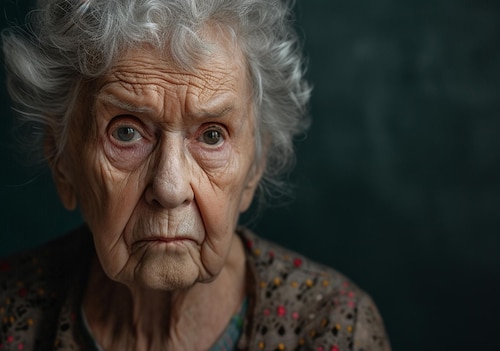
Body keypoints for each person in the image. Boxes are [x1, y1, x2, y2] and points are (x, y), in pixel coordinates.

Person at [0, 0, 390, 350]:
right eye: (126, 131)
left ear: (255, 166)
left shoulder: (334, 329)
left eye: (212, 135)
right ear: (62, 162)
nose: (170, 189)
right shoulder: (9, 314)